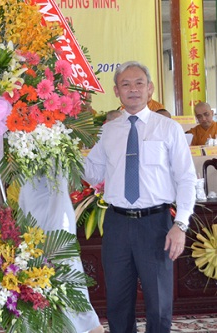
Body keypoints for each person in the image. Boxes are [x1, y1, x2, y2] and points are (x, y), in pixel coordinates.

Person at [83, 61, 196, 332]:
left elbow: (186, 178)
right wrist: (61, 149)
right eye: (125, 84)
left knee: (159, 302)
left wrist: (180, 225)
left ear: (150, 89)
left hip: (155, 224)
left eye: (139, 84)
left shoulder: (168, 129)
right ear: (116, 91)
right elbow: (92, 172)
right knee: (118, 302)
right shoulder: (108, 131)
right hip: (117, 223)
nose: (133, 89)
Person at [16, 177, 104, 333]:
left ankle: (87, 325)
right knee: (31, 266)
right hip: (30, 206)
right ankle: (41, 320)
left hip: (55, 210)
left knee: (66, 270)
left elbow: (59, 184)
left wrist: (57, 224)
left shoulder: (54, 153)